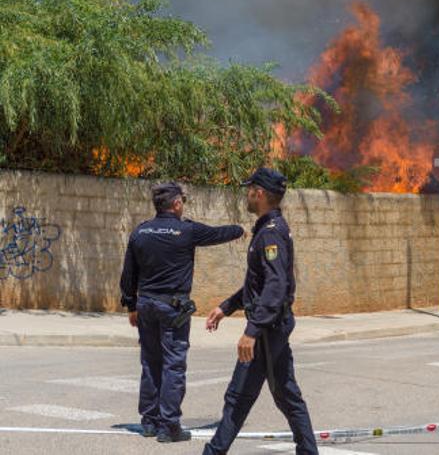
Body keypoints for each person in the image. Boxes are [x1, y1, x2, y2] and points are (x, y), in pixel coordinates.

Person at [202, 167, 317, 455]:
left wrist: (252, 331)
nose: (247, 194)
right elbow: (259, 285)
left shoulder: (270, 234)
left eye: (250, 189)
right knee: (285, 395)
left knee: (239, 397)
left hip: (267, 329)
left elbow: (275, 287)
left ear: (260, 193)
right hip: (271, 326)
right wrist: (226, 307)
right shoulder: (269, 230)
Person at [120, 182, 244, 442]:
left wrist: (131, 306)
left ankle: (150, 422)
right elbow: (216, 234)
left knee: (150, 363)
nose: (183, 205)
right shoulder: (186, 230)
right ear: (176, 204)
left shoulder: (140, 232)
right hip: (173, 308)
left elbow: (128, 274)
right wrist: (240, 230)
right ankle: (169, 426)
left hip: (146, 306)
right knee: (173, 366)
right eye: (183, 201)